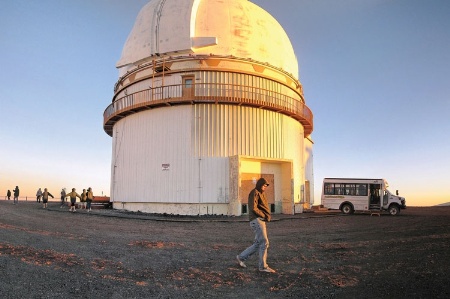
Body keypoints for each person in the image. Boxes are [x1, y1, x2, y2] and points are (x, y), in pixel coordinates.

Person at [236, 178, 276, 273]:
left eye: (266, 186)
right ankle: (263, 267)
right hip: (257, 220)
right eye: (264, 185)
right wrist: (264, 215)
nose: (265, 187)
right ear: (259, 184)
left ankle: (241, 257)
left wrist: (266, 217)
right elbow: (253, 208)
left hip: (260, 220)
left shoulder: (262, 194)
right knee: (264, 242)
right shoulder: (254, 192)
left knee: (258, 243)